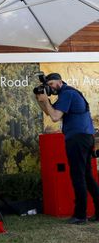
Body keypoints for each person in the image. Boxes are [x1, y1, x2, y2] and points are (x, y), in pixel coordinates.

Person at [36, 72, 99, 224]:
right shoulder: (67, 93)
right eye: (48, 86)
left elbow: (55, 117)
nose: (51, 88)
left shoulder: (67, 94)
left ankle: (80, 215)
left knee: (78, 176)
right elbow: (49, 111)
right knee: (87, 177)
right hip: (85, 137)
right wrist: (41, 100)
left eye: (51, 85)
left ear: (59, 82)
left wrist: (46, 101)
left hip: (78, 139)